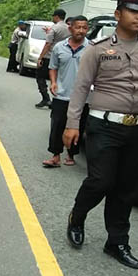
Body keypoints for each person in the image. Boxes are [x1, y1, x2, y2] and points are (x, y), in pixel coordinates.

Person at [63, 0, 138, 269]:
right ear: (118, 13)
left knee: (126, 188)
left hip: (137, 128)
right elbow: (81, 88)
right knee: (100, 180)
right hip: (103, 126)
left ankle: (117, 242)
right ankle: (77, 216)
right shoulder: (98, 50)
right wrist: (72, 124)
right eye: (134, 11)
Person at [42, 16, 90, 168]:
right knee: (57, 125)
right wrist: (54, 82)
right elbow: (53, 67)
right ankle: (55, 156)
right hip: (62, 94)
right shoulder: (59, 47)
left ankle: (71, 155)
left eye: (84, 28)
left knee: (79, 127)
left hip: (84, 97)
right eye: (78, 27)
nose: (81, 31)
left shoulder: (92, 48)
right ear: (70, 28)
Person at [36, 9, 70, 108]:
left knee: (40, 77)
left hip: (50, 56)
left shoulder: (54, 28)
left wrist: (40, 57)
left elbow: (48, 44)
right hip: (62, 57)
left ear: (56, 16)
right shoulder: (69, 28)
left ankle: (46, 98)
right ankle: (58, 100)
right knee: (58, 79)